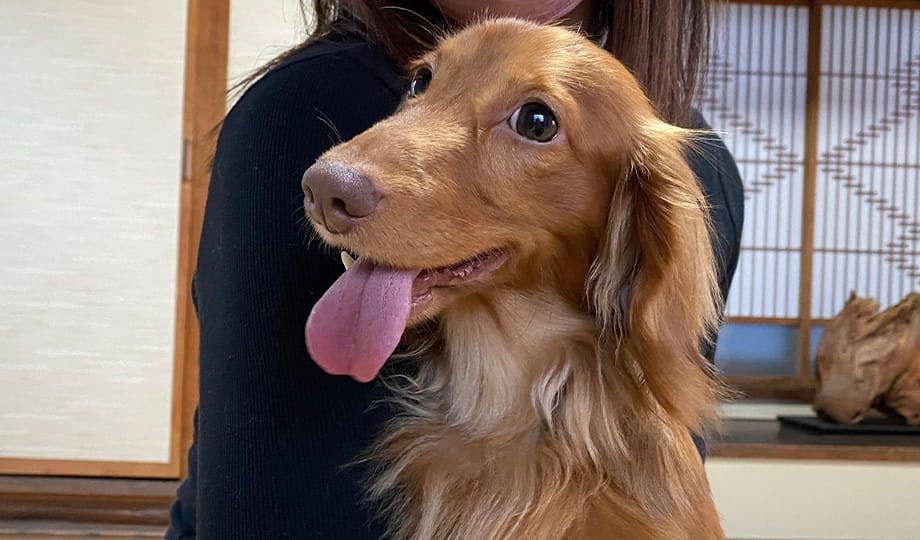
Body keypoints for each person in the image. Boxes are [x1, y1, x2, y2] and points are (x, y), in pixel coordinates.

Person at [166, 1, 744, 538]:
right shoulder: (309, 100)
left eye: (536, 123)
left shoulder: (690, 166)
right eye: (423, 82)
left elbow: (670, 382)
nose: (342, 170)